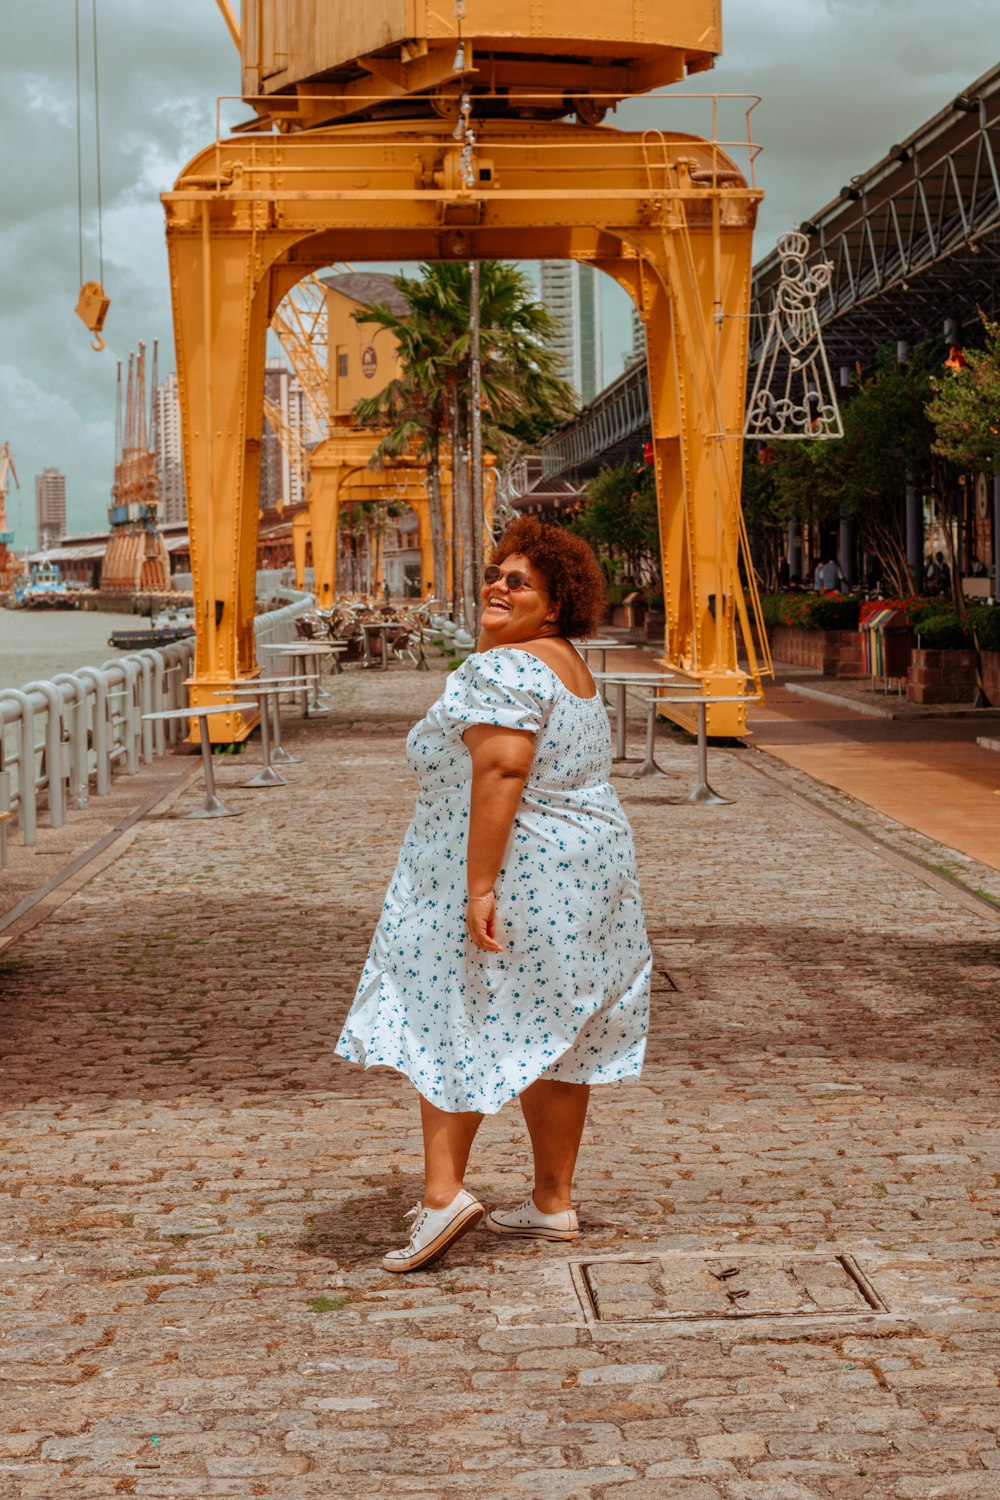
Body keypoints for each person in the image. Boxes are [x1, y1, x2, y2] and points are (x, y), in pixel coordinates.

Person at [336, 517, 652, 1273]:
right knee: (558, 1034)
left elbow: (502, 771)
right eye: (496, 574)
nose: (499, 587)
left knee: (456, 1015)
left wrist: (480, 885)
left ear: (556, 601)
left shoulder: (507, 670)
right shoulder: (566, 665)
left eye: (521, 582)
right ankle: (552, 1202)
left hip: (523, 873)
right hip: (588, 871)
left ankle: (443, 1197)